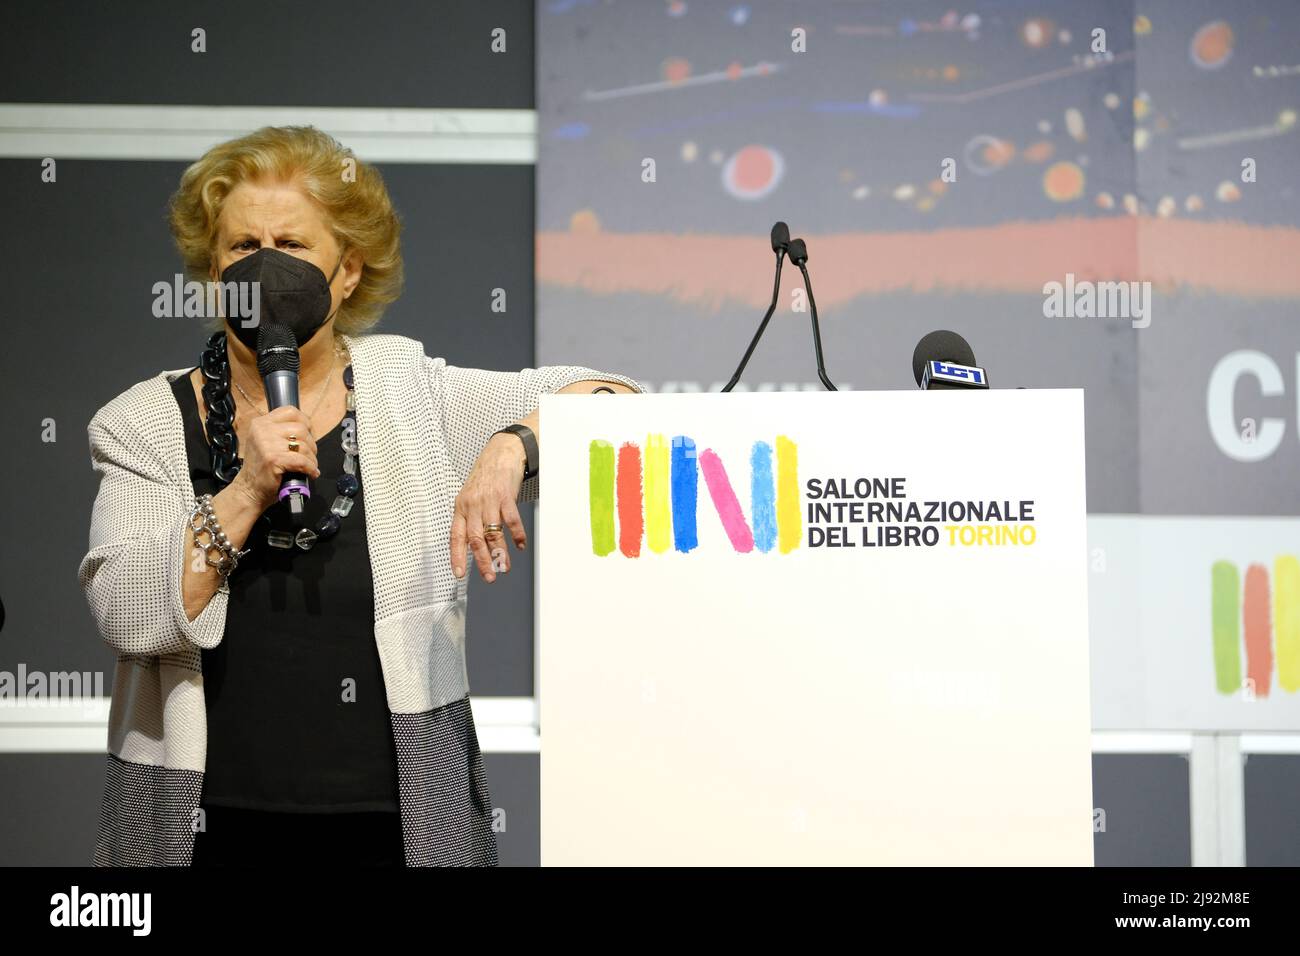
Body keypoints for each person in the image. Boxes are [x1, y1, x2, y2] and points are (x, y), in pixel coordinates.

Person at [77, 125, 642, 866]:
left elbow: (623, 403)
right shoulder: (141, 423)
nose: (267, 265)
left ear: (348, 272)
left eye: (293, 243)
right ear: (214, 270)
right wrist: (246, 489)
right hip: (204, 823)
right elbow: (127, 613)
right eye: (243, 246)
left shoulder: (411, 392)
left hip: (397, 824)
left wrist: (514, 445)